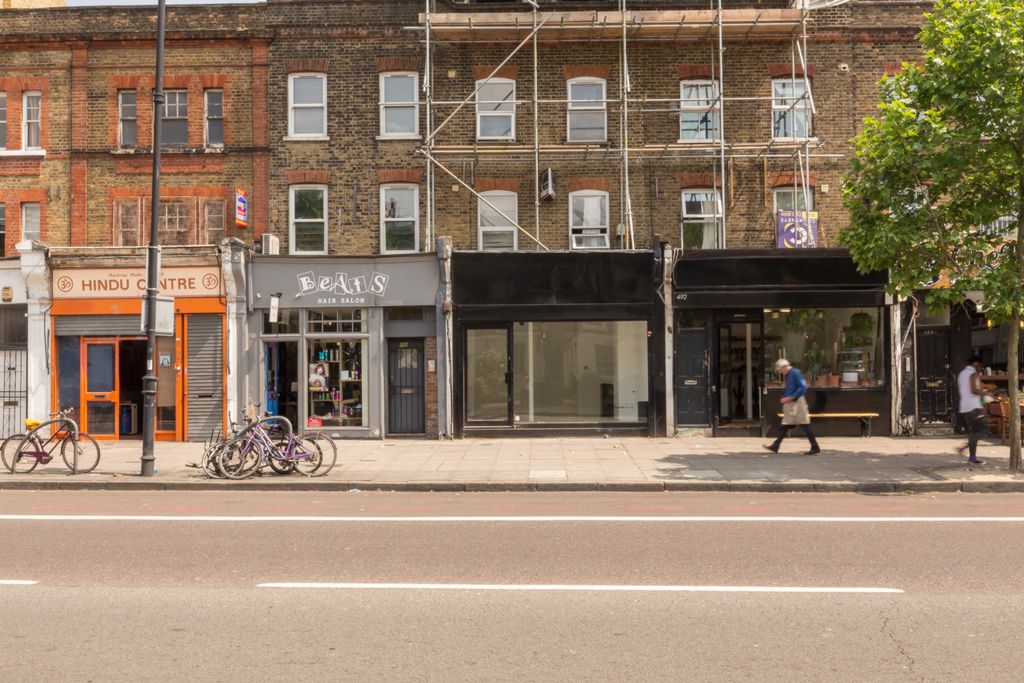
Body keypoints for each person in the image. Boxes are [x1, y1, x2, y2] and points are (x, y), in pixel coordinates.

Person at [763, 358, 821, 455]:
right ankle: (776, 445)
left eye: (780, 369)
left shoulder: (795, 373)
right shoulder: (789, 375)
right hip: (791, 404)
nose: (780, 371)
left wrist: (789, 398)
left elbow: (802, 387)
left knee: (804, 425)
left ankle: (815, 446)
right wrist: (786, 397)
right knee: (785, 425)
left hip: (797, 403)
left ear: (784, 367)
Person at [956, 354, 990, 465]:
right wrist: (987, 393)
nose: (981, 368)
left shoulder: (961, 374)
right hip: (974, 407)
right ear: (976, 364)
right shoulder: (972, 374)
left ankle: (971, 457)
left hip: (965, 407)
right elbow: (974, 390)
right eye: (980, 365)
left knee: (974, 432)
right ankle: (967, 451)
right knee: (983, 431)